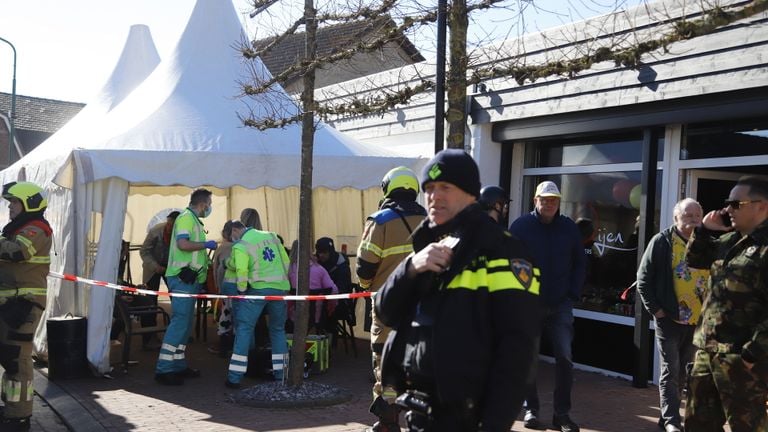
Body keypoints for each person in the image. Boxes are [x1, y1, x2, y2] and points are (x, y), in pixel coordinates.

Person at [375, 149, 541, 432]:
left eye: (445, 188)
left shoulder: (502, 250)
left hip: (468, 418)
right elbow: (385, 312)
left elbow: (518, 351)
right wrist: (411, 267)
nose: (434, 196)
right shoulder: (428, 245)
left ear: (470, 195)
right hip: (420, 411)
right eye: (429, 188)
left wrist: (493, 425)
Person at [684, 176, 768, 432]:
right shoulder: (730, 241)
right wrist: (704, 230)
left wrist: (753, 352)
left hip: (741, 358)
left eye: (736, 203)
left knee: (748, 427)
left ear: (761, 206)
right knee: (698, 425)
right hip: (707, 351)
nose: (728, 209)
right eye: (727, 203)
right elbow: (695, 259)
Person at [509, 180, 585, 432]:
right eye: (545, 199)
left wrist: (573, 294)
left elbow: (579, 263)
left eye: (554, 200)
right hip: (530, 304)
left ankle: (561, 415)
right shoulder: (520, 227)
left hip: (561, 304)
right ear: (535, 200)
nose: (549, 203)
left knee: (565, 358)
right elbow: (511, 263)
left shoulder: (569, 228)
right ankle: (531, 410)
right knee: (528, 358)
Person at [356, 165, 426, 432]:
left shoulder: (380, 220)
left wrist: (367, 288)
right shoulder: (434, 220)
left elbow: (365, 266)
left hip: (389, 306)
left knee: (385, 364)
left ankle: (387, 423)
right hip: (424, 308)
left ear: (387, 188)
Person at [636, 198, 708, 432]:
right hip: (669, 318)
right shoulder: (662, 242)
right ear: (676, 218)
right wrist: (656, 310)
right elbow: (643, 279)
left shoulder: (707, 243)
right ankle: (672, 422)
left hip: (698, 320)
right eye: (688, 215)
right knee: (671, 370)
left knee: (686, 372)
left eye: (697, 215)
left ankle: (667, 417)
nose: (693, 220)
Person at [0, 182, 52, 431]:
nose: (10, 207)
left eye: (14, 202)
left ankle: (19, 417)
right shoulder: (14, 229)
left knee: (18, 361)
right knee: (8, 358)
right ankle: (11, 409)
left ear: (29, 203)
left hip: (25, 306)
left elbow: (18, 252)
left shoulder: (36, 228)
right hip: (11, 304)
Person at [154, 188, 218, 385]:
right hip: (182, 279)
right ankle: (164, 369)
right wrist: (206, 245)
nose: (209, 208)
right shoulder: (186, 219)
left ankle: (178, 365)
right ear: (203, 204)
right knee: (180, 322)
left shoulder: (193, 220)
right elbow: (183, 244)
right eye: (209, 204)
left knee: (185, 324)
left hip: (190, 280)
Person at [224, 219, 290, 388]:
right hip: (279, 289)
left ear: (235, 231)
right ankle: (282, 373)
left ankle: (235, 377)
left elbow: (241, 270)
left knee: (245, 329)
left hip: (257, 290)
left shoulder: (241, 245)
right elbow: (286, 262)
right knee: (278, 330)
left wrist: (241, 290)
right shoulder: (272, 236)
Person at [139, 210, 180, 350]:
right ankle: (149, 337)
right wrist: (155, 266)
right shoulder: (156, 231)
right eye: (169, 224)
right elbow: (144, 251)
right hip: (153, 269)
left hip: (171, 269)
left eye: (174, 225)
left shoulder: (181, 234)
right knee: (149, 303)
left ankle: (176, 333)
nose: (170, 227)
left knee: (177, 300)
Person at [288, 240, 338, 333]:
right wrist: (331, 306)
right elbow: (334, 290)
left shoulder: (289, 270)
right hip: (317, 315)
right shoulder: (319, 269)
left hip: (294, 316)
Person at [209, 220, 239, 357]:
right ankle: (236, 346)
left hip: (227, 287)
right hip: (241, 288)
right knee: (238, 317)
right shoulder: (242, 246)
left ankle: (225, 345)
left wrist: (218, 287)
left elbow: (217, 270)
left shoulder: (223, 247)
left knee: (226, 314)